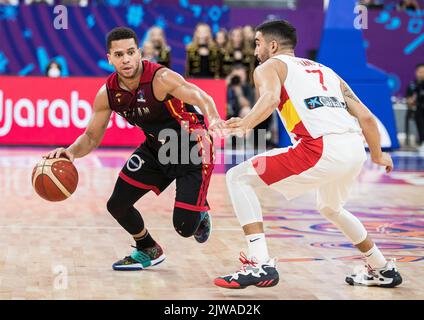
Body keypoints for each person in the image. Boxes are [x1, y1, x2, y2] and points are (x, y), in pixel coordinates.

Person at [214, 20, 402, 289]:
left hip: (318, 150)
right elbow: (367, 118)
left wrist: (245, 124)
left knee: (237, 177)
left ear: (273, 45)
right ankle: (382, 267)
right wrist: (377, 155)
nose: (255, 51)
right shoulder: (326, 71)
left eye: (257, 43)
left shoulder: (269, 66)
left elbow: (269, 99)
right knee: (330, 207)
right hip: (353, 149)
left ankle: (259, 263)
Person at [44, 27, 225, 271]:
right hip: (155, 148)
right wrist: (71, 152)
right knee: (116, 204)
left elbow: (199, 95)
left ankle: (199, 211)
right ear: (109, 58)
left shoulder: (160, 79)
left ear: (139, 52)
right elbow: (91, 136)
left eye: (130, 52)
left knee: (185, 227)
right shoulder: (108, 93)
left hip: (191, 147)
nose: (126, 59)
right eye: (119, 55)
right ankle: (148, 248)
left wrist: (212, 117)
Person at [406, 63, 424, 151]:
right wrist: (411, 101)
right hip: (418, 108)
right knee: (418, 115)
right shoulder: (412, 85)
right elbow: (409, 100)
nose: (421, 74)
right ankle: (422, 141)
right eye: (420, 72)